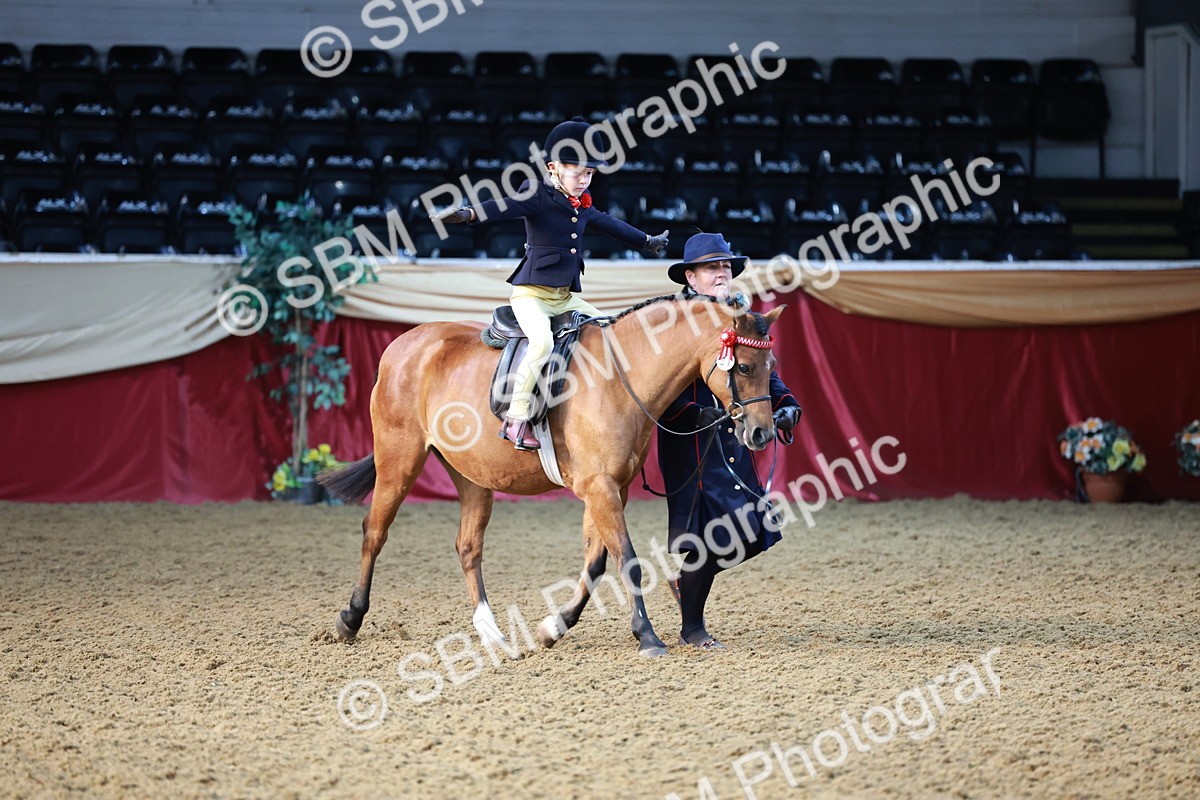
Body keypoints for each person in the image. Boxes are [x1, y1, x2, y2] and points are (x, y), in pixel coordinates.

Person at [434, 116, 669, 451]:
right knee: (541, 344)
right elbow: (503, 206)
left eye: (590, 174)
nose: (585, 181)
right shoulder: (538, 196)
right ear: (554, 167)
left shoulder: (583, 206)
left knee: (607, 331)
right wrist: (469, 214)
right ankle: (516, 419)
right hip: (531, 295)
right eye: (578, 173)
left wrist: (647, 241)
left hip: (564, 298)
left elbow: (611, 225)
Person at [657, 232, 802, 650]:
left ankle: (684, 584)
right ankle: (693, 629)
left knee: (756, 532)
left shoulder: (741, 314)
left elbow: (761, 370)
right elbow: (657, 385)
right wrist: (694, 412)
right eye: (711, 267)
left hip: (734, 435)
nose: (722, 272)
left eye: (725, 266)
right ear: (690, 276)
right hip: (692, 437)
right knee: (711, 533)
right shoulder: (672, 320)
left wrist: (787, 403)